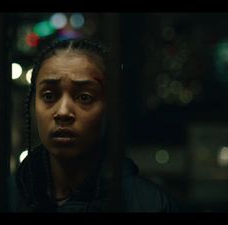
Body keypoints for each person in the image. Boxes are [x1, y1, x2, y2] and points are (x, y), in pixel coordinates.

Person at [14, 38, 178, 212]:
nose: (62, 112)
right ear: (33, 104)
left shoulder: (149, 205)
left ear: (110, 107)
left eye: (84, 97)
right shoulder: (9, 197)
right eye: (48, 96)